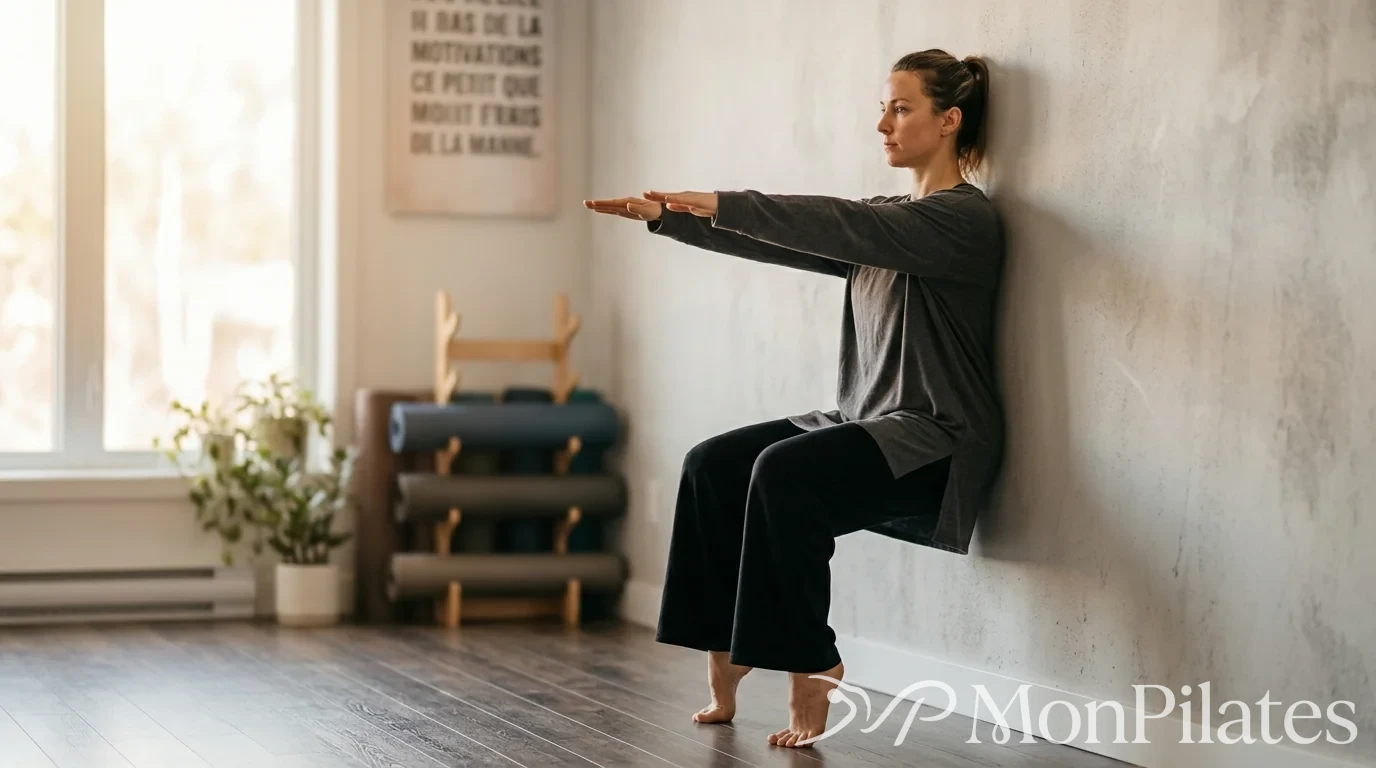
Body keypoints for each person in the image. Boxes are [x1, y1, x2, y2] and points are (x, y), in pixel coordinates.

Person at [583, 49, 1005, 749]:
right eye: (884, 106)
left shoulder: (962, 221)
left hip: (934, 438)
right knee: (711, 464)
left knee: (784, 471)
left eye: (901, 108)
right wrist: (670, 219)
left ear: (949, 120)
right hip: (865, 419)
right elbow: (791, 245)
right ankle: (725, 647)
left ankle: (813, 660)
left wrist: (717, 200)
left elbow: (829, 221)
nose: (882, 123)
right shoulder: (892, 217)